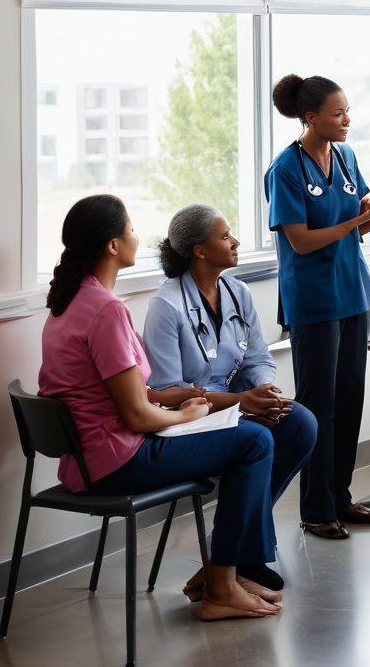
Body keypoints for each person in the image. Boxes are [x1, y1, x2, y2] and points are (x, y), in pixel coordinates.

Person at [38, 195, 283, 623]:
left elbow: (115, 394)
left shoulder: (71, 302)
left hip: (85, 461)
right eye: (131, 229)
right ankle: (222, 586)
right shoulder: (107, 310)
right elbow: (135, 419)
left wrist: (164, 396)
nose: (137, 237)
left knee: (271, 432)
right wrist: (185, 415)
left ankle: (225, 573)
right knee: (256, 442)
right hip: (117, 461)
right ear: (113, 245)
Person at [265, 73, 370, 539]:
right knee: (318, 406)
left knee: (350, 397)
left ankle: (340, 496)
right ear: (310, 117)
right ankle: (315, 509)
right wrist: (362, 212)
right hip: (313, 300)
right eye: (337, 114)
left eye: (348, 111)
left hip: (354, 293)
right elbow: (301, 241)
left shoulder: (346, 156)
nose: (347, 120)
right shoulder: (286, 170)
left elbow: (361, 230)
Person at [142, 204, 317, 594]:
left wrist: (265, 390)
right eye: (225, 236)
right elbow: (170, 392)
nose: (235, 242)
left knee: (301, 423)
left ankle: (232, 550)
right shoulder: (166, 306)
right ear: (199, 251)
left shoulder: (237, 292)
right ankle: (241, 559)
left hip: (233, 404)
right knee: (262, 438)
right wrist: (241, 400)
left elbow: (257, 357)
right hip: (190, 417)